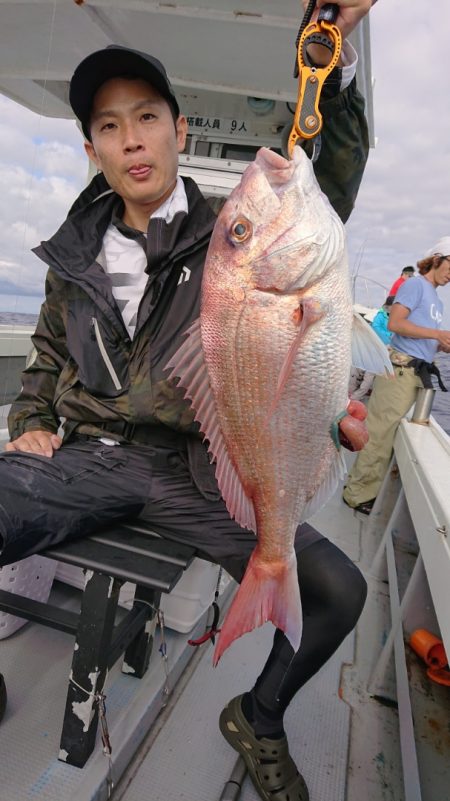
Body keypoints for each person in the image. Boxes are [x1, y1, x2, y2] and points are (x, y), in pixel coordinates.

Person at [0, 3, 373, 798]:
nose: (131, 137)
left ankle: (259, 714)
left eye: (146, 117)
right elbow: (46, 353)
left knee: (341, 591)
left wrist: (330, 63)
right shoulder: (73, 253)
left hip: (203, 468)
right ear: (93, 147)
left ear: (177, 130)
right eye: (109, 125)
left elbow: (327, 181)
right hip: (88, 456)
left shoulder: (234, 235)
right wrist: (32, 422)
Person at [343, 238, 450, 515]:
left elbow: (419, 335)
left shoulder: (435, 299)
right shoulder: (416, 285)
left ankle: (363, 488)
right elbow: (396, 323)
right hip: (401, 373)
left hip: (416, 374)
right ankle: (357, 495)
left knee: (387, 434)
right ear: (438, 258)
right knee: (379, 434)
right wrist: (437, 334)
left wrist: (438, 344)